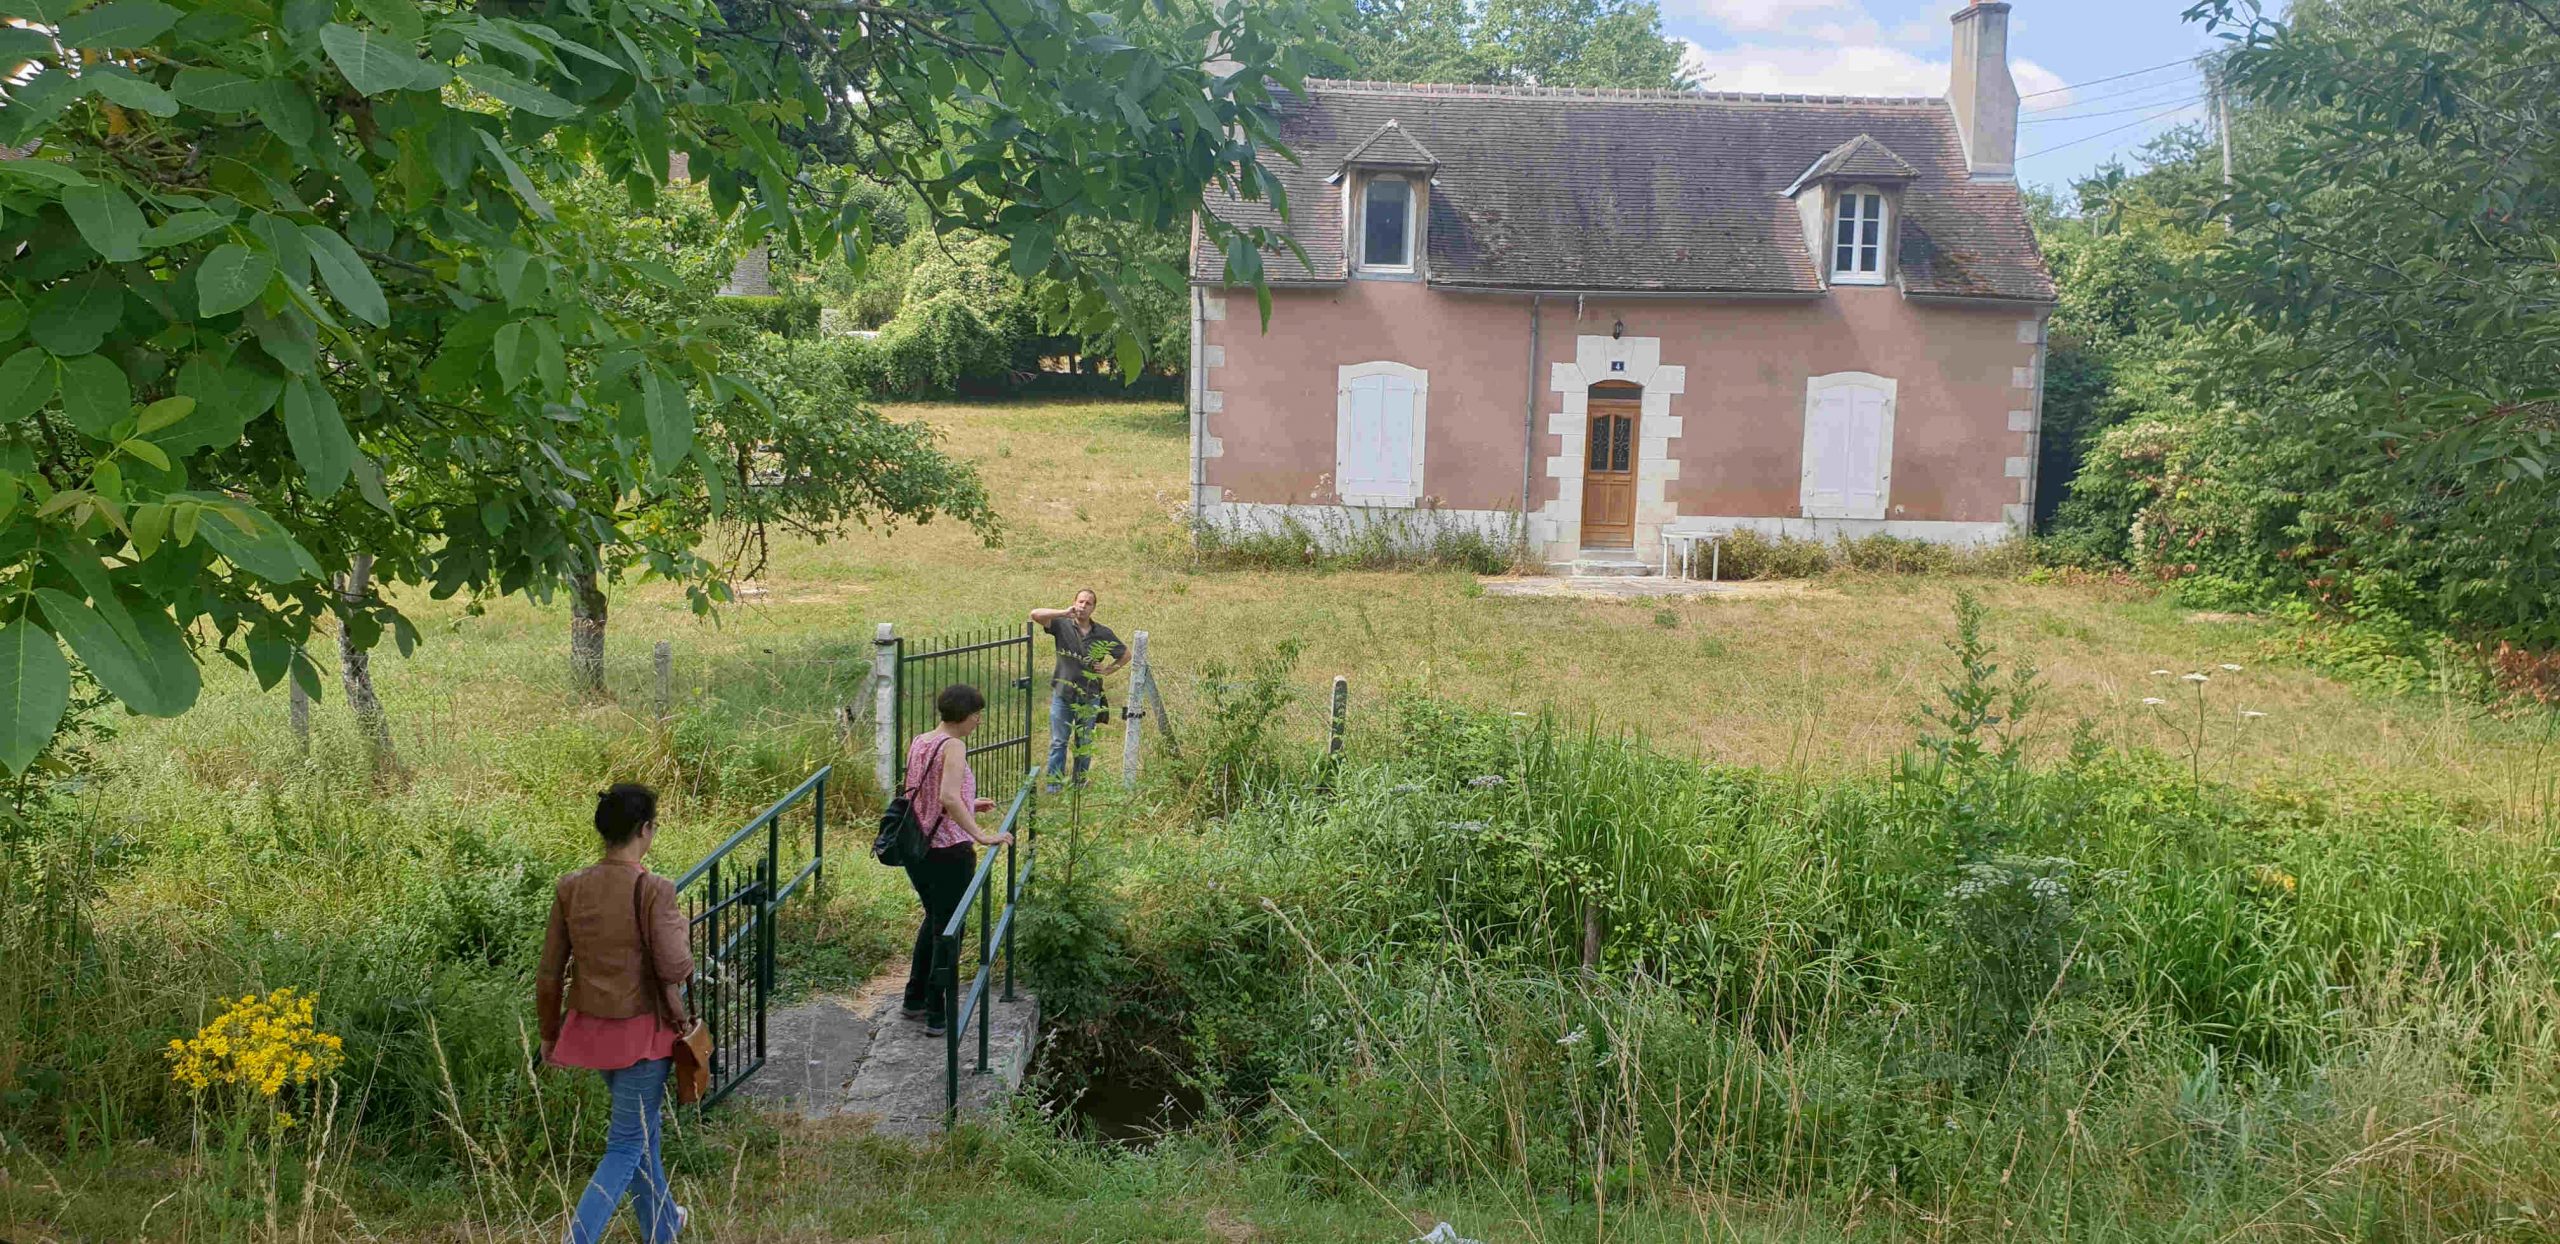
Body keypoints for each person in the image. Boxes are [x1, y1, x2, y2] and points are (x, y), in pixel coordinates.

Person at [537, 783, 693, 1244]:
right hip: (643, 1037)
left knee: (644, 1142)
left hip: (590, 1032)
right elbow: (676, 966)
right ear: (645, 829)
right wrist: (679, 927)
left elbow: (549, 973)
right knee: (627, 1145)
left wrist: (549, 1035)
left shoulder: (571, 887)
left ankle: (663, 1229)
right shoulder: (655, 888)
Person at [900, 684, 1011, 1035]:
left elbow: (923, 792)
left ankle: (914, 999)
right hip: (949, 850)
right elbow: (947, 796)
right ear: (963, 716)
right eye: (976, 714)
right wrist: (980, 832)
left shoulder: (922, 740)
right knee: (950, 929)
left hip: (918, 847)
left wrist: (970, 802)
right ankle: (938, 1014)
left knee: (934, 919)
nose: (979, 720)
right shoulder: (954, 745)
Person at [1029, 588, 1126, 790]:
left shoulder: (1102, 633)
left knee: (1084, 743)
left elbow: (1125, 654)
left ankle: (1079, 784)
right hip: (1063, 694)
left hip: (1089, 697)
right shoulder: (1062, 625)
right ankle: (1054, 785)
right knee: (1058, 742)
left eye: (1088, 603)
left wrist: (1108, 670)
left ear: (1093, 608)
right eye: (1080, 601)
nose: (1083, 606)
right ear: (1074, 602)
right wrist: (1063, 613)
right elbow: (1035, 614)